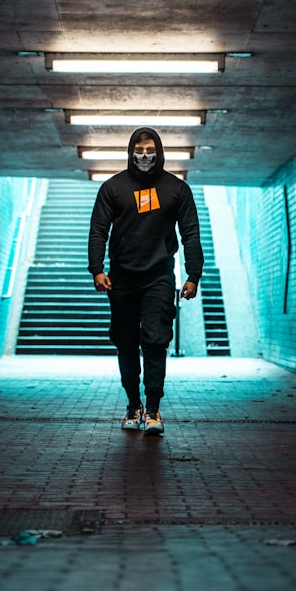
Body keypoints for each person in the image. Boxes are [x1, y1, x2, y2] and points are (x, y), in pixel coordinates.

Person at [87, 127, 204, 435]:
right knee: (125, 343)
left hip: (159, 277)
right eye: (139, 151)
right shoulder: (113, 188)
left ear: (159, 151)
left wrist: (193, 275)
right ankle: (132, 405)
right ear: (130, 152)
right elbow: (99, 230)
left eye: (150, 150)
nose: (145, 156)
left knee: (155, 340)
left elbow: (190, 232)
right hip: (121, 279)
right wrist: (97, 269)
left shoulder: (176, 189)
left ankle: (153, 409)